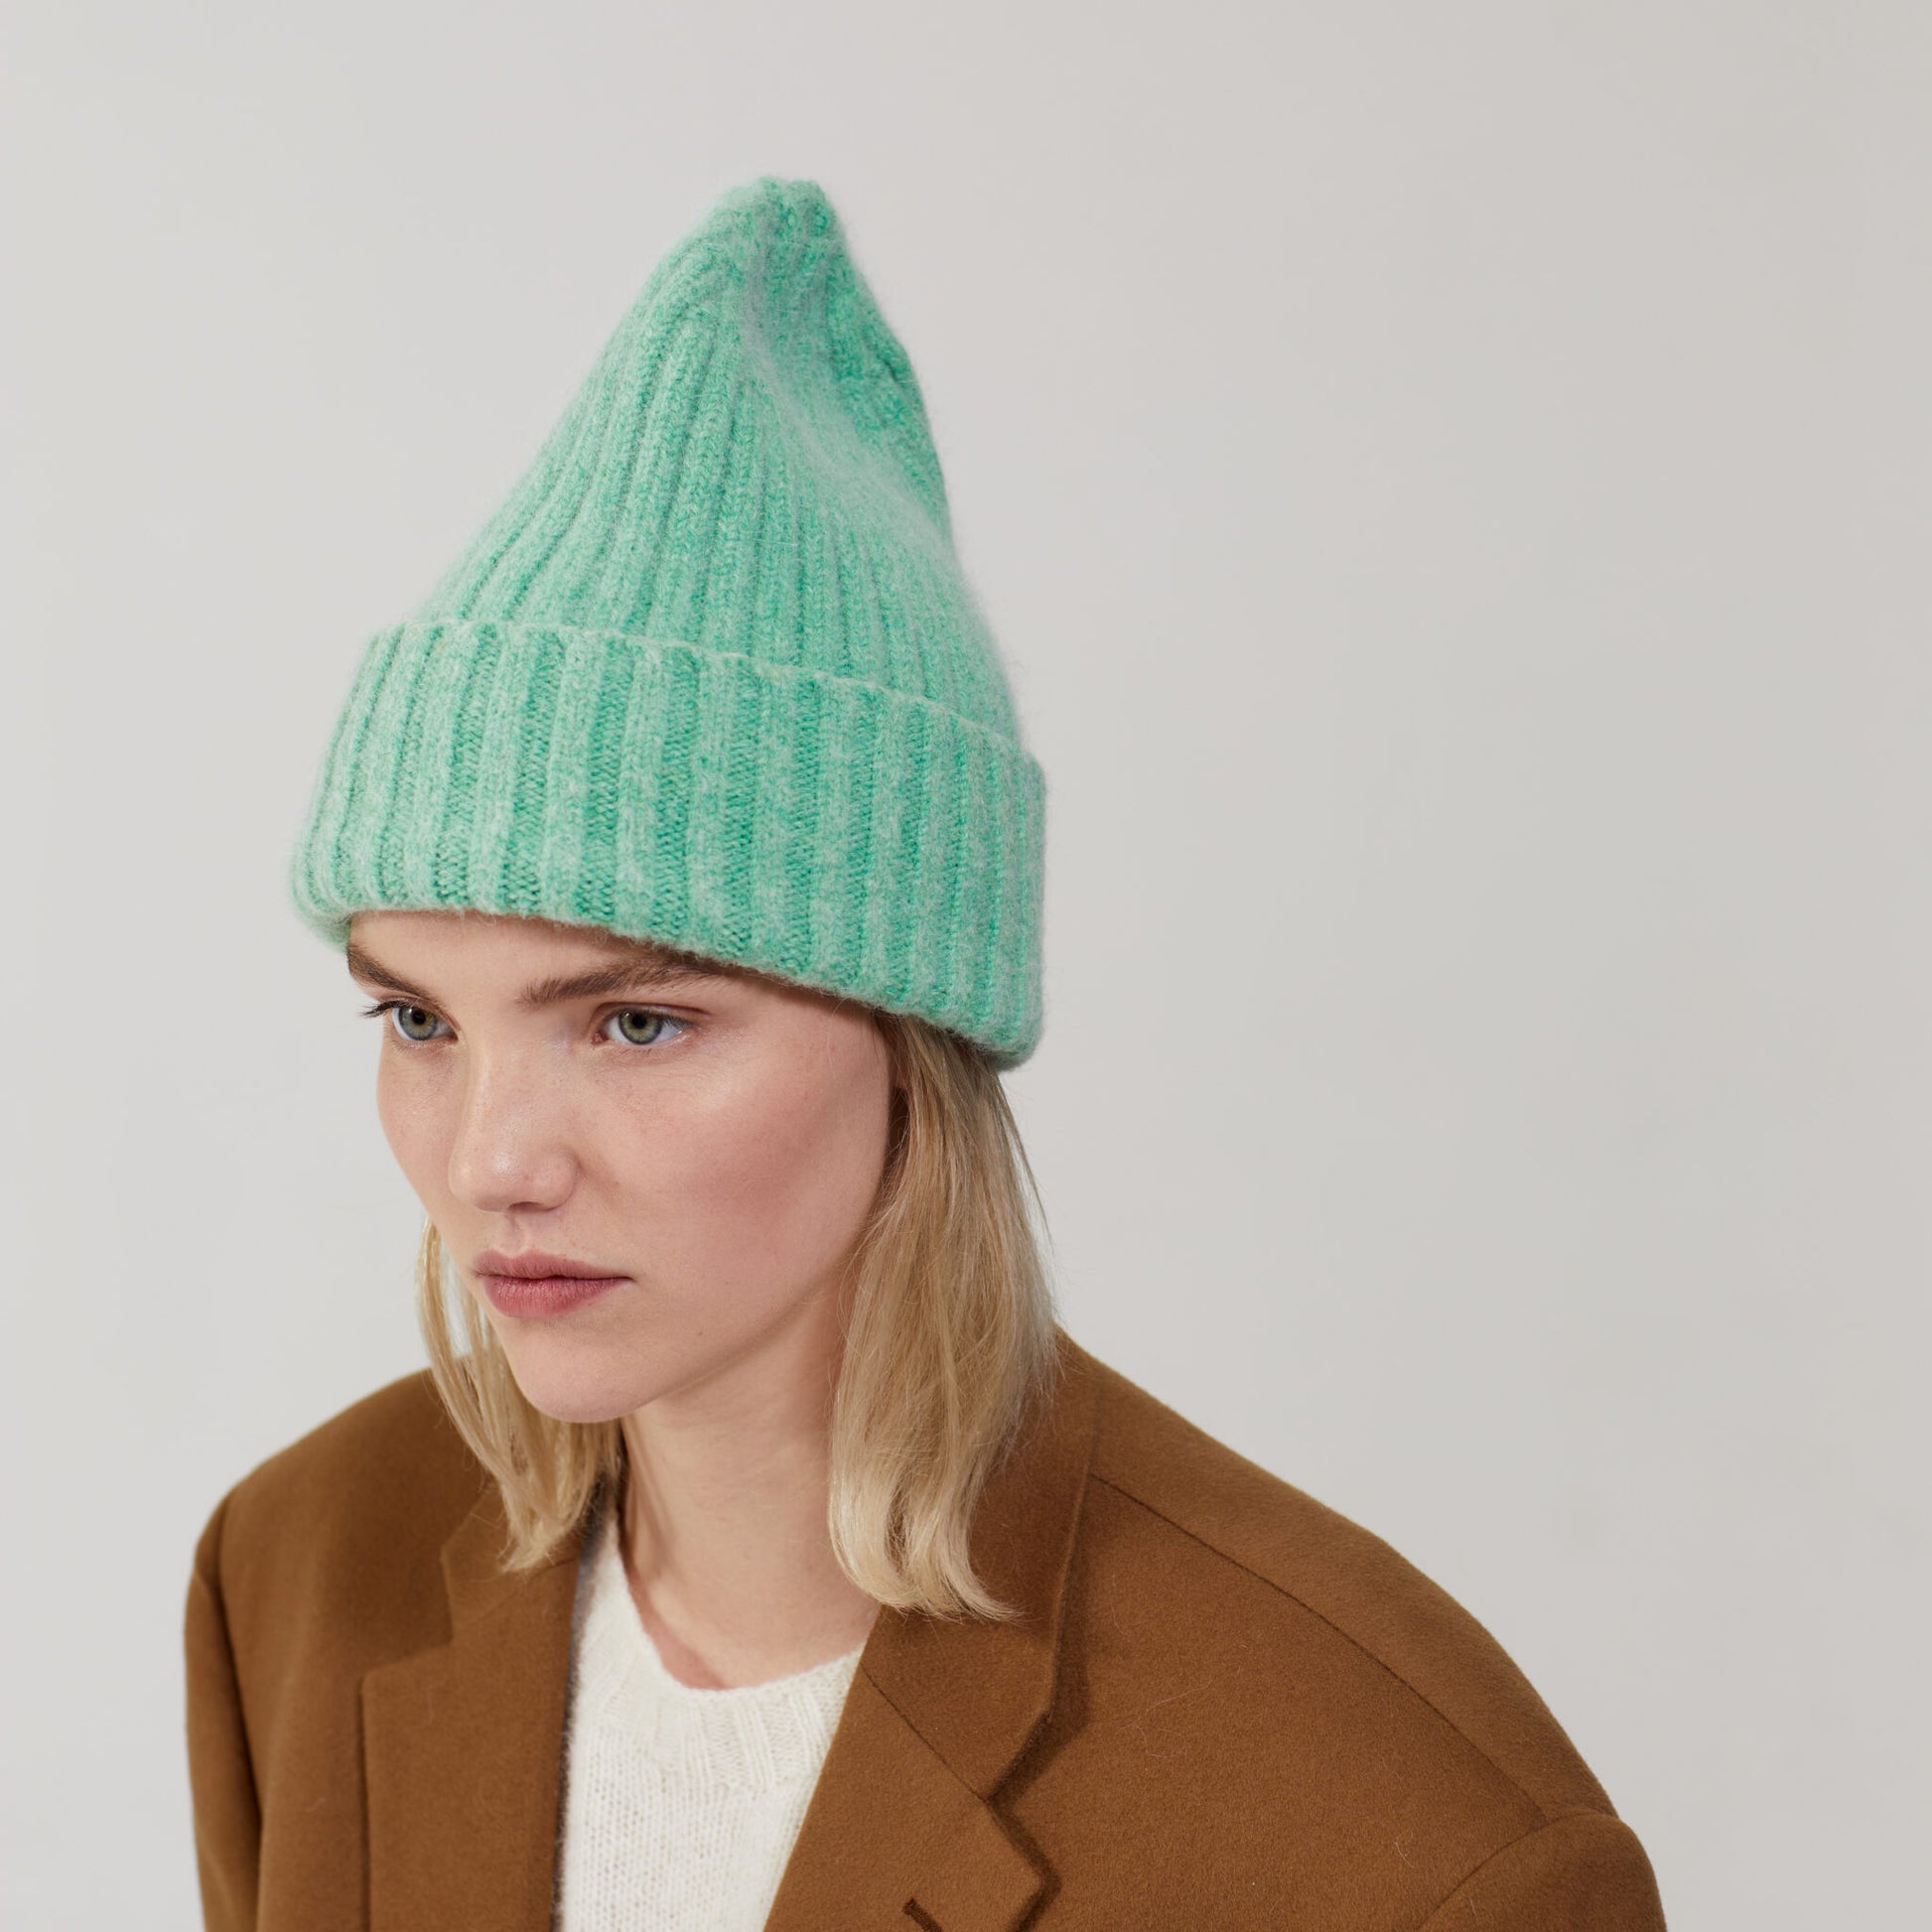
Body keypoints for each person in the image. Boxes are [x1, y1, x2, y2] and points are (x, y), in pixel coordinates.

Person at [183, 174, 1669, 1931]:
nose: (489, 1154)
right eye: (418, 1017)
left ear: (914, 1035)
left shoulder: (1402, 1836)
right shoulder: (298, 1573)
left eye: (637, 1018)